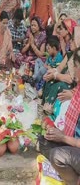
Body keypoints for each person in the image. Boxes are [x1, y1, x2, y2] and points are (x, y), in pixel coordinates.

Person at [38, 47, 80, 185]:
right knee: (43, 140)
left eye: (75, 66)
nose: (73, 70)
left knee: (57, 156)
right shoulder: (78, 89)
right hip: (75, 143)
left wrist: (63, 137)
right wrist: (58, 133)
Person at [42, 19, 78, 113]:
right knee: (49, 78)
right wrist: (52, 72)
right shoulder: (70, 53)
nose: (70, 42)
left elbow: (72, 79)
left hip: (74, 87)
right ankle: (45, 104)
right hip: (69, 81)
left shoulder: (77, 56)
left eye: (73, 40)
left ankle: (50, 108)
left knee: (58, 85)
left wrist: (55, 75)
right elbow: (59, 68)